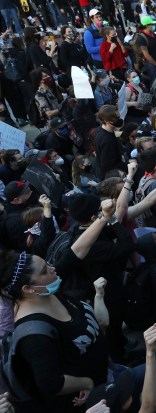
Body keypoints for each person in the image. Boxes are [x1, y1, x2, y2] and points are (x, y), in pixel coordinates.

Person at [0, 199, 116, 412]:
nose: (52, 269)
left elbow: (77, 251)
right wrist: (86, 383)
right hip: (95, 399)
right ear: (28, 289)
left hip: (108, 373)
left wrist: (104, 217)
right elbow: (50, 382)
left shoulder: (46, 288)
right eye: (45, 270)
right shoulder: (33, 334)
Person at [93, 105, 126, 177]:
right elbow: (107, 165)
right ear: (107, 121)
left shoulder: (99, 129)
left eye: (119, 116)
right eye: (116, 118)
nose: (119, 119)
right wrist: (124, 163)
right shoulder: (107, 140)